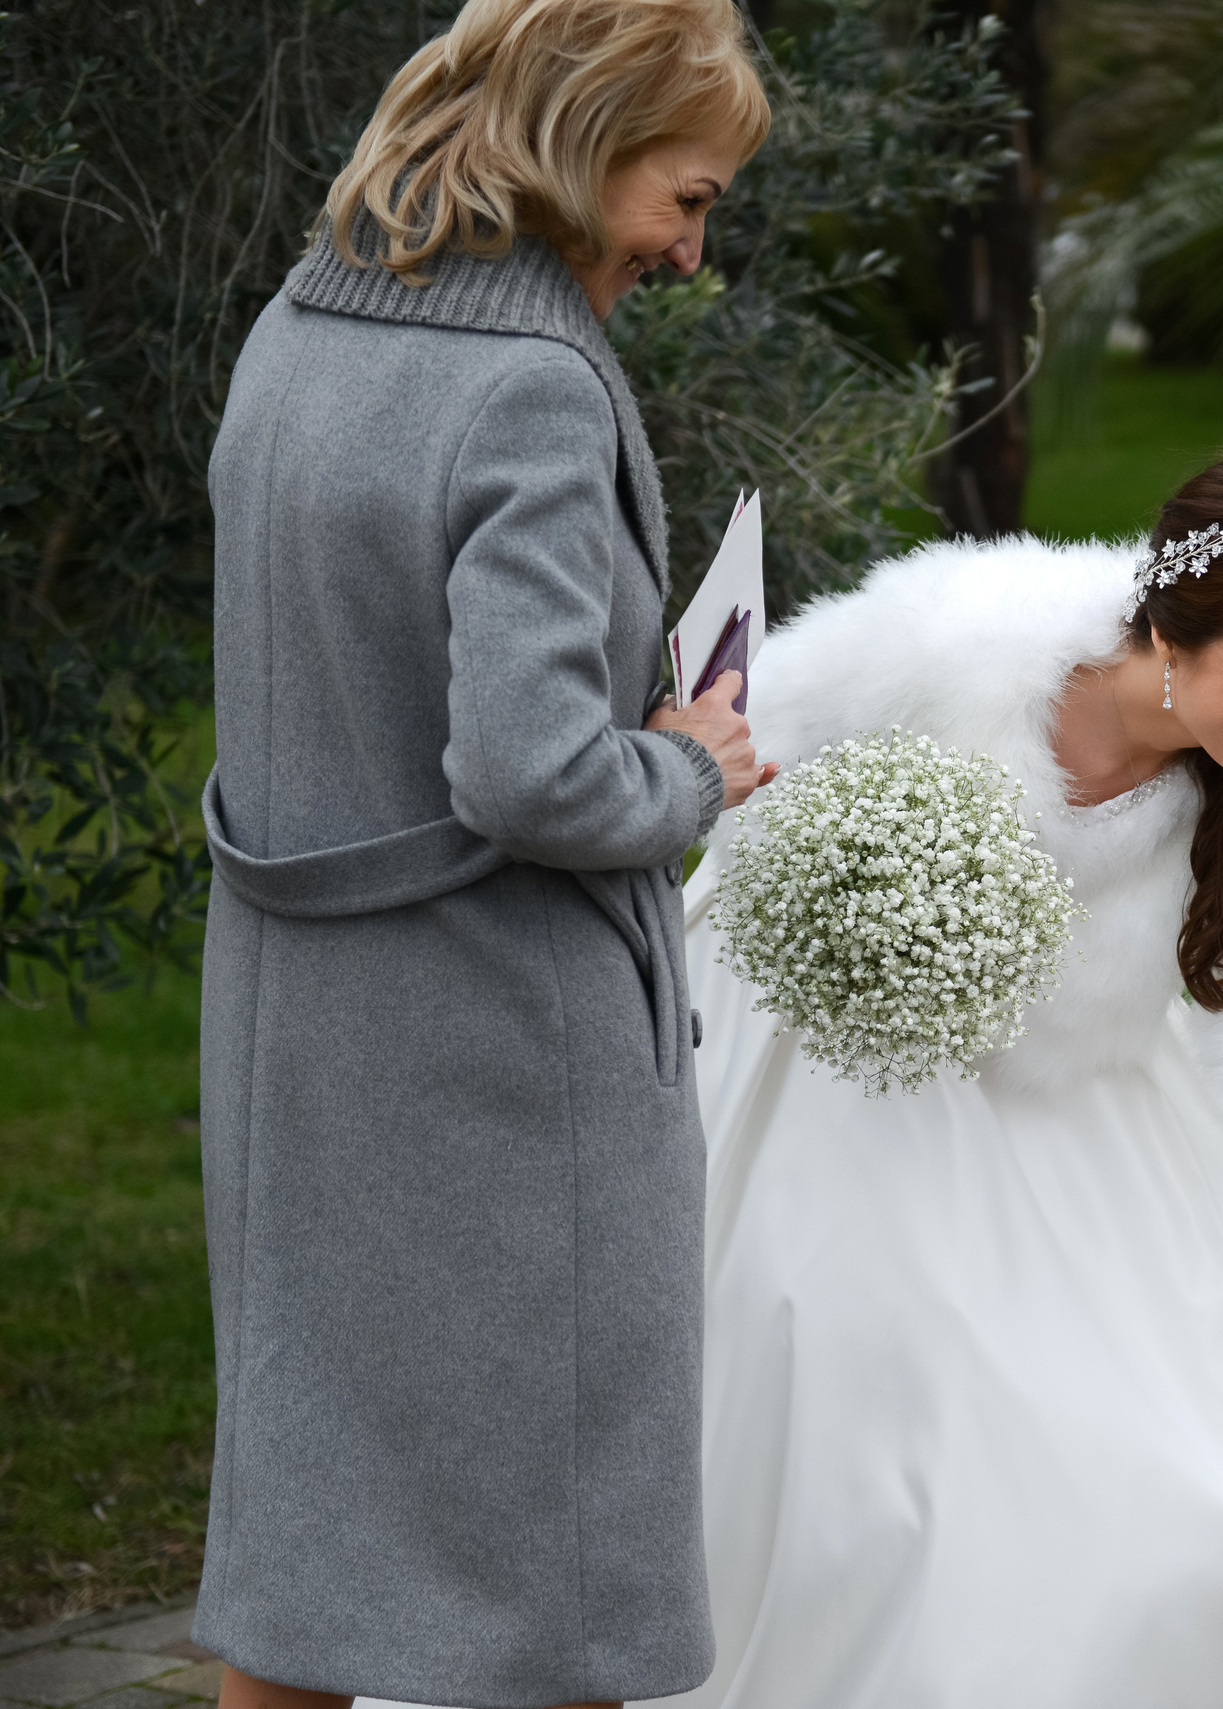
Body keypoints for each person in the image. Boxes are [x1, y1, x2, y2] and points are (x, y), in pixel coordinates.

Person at [670, 456, 1223, 1709]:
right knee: (890, 1452)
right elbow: (728, 781)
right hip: (841, 1088)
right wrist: (850, 898)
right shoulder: (944, 644)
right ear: (1167, 635)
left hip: (1086, 1115)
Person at [195, 4, 773, 1706]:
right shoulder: (524, 385)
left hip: (300, 1025)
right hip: (499, 1052)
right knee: (561, 1581)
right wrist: (685, 761)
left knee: (306, 1537)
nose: (688, 245)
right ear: (586, 141)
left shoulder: (299, 329)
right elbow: (533, 778)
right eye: (692, 194)